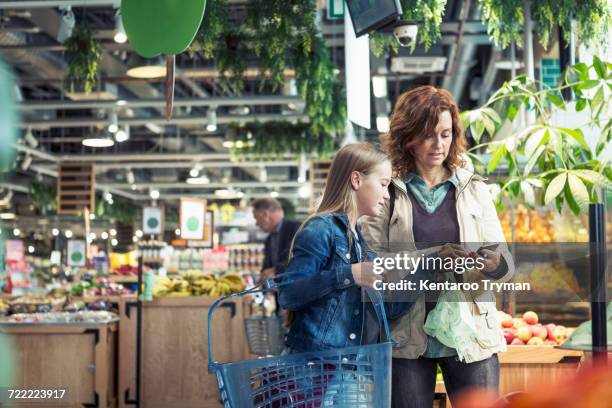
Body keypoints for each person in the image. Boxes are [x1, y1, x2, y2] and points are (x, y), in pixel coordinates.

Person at [360, 85, 515, 408]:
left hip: (470, 332)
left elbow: (506, 265)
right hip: (406, 334)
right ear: (408, 136)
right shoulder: (388, 191)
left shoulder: (474, 189)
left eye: (446, 134)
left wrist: (491, 263)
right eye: (428, 135)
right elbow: (372, 264)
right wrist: (433, 257)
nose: (439, 144)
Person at [277, 143, 393, 353]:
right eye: (383, 184)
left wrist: (434, 267)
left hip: (343, 367)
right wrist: (349, 275)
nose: (387, 195)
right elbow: (288, 295)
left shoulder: (358, 239)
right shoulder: (321, 229)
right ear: (356, 180)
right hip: (314, 369)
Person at [251, 198, 301, 280]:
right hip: (280, 291)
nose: (256, 224)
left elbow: (300, 259)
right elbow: (266, 268)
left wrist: (275, 270)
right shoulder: (269, 239)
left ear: (265, 214)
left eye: (256, 218)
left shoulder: (297, 229)